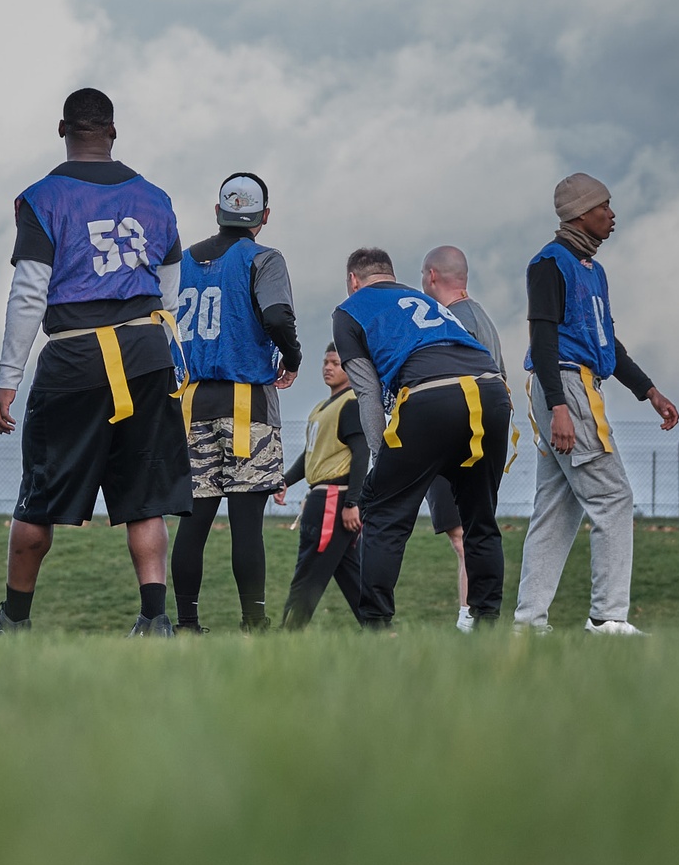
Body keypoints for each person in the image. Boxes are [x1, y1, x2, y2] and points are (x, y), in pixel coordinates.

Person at [0, 88, 192, 638]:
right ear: (113, 133)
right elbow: (170, 291)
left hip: (75, 356)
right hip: (146, 352)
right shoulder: (156, 198)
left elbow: (28, 292)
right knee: (145, 499)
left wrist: (7, 379)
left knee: (38, 498)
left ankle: (13, 623)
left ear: (62, 129)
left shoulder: (42, 198)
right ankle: (154, 620)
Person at [514, 173, 679, 636]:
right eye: (604, 206)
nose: (612, 214)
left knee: (557, 507)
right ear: (579, 213)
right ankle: (608, 618)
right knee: (612, 496)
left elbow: (607, 342)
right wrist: (560, 406)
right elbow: (543, 339)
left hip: (577, 384)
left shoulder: (592, 269)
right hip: (566, 386)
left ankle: (528, 624)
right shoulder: (549, 264)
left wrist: (648, 390)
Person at [332, 247, 512, 630]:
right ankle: (486, 620)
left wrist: (381, 461)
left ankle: (376, 626)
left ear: (353, 281)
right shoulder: (421, 299)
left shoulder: (350, 310)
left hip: (432, 394)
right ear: (393, 275)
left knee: (383, 513)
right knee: (480, 516)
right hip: (491, 391)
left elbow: (366, 393)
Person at [171, 174, 301, 632]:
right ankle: (253, 623)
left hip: (190, 405)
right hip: (246, 401)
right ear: (263, 218)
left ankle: (187, 622)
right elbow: (276, 315)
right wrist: (293, 355)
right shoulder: (263, 258)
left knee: (194, 520)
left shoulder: (182, 261)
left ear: (217, 211)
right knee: (246, 524)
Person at [420, 245, 509, 633]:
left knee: (463, 534)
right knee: (469, 530)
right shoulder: (481, 318)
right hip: (482, 433)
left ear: (432, 276)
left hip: (460, 437)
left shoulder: (453, 321)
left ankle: (471, 617)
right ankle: (469, 615)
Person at [276, 345, 369, 629]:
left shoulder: (352, 403)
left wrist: (353, 502)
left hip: (334, 499)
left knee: (309, 571)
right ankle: (380, 629)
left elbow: (361, 452)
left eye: (335, 363)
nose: (328, 367)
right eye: (325, 361)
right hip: (321, 498)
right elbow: (311, 455)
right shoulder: (320, 408)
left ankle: (288, 633)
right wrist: (285, 482)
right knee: (352, 573)